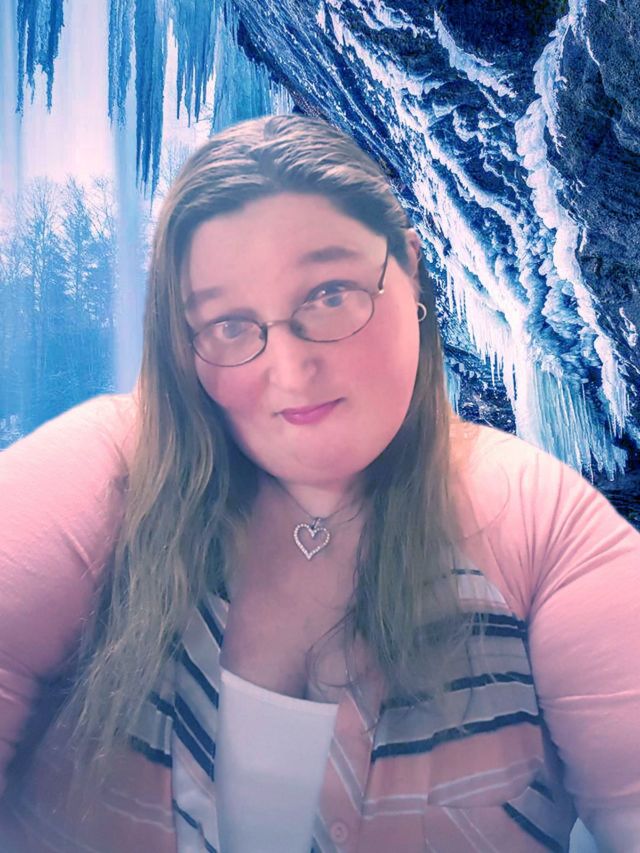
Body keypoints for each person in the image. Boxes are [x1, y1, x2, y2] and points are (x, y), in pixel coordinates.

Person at [0, 114, 638, 853]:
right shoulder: (102, 476)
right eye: (230, 325)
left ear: (409, 267)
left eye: (330, 294)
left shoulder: (540, 522)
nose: (291, 368)